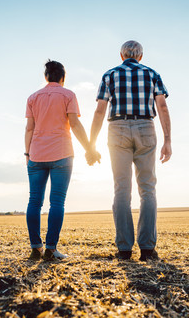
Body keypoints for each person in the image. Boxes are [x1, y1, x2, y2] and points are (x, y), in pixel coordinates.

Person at [87, 40, 172, 261]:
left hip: (117, 129)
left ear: (121, 55)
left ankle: (124, 250)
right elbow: (162, 106)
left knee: (121, 190)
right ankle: (147, 249)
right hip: (146, 127)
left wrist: (91, 144)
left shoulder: (110, 74)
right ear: (140, 56)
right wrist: (168, 140)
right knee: (148, 189)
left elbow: (99, 111)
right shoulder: (152, 74)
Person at [25, 60, 93, 261]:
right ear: (63, 77)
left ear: (46, 77)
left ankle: (35, 248)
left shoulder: (33, 97)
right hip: (62, 154)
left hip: (36, 154)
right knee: (57, 202)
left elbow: (29, 128)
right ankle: (51, 249)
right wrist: (90, 147)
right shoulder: (68, 95)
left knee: (34, 201)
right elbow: (75, 124)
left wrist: (27, 154)